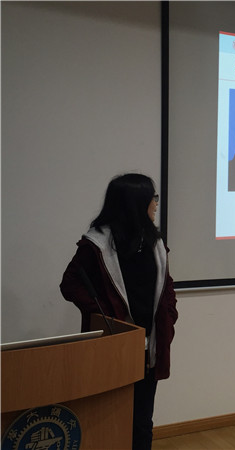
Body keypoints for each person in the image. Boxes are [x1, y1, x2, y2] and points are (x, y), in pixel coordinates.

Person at [60, 173, 178, 450]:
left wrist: (170, 313)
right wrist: (105, 315)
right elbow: (70, 284)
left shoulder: (154, 243)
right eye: (152, 198)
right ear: (135, 202)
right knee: (108, 418)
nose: (156, 203)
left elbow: (167, 284)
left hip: (148, 346)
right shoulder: (96, 245)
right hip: (114, 343)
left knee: (142, 420)